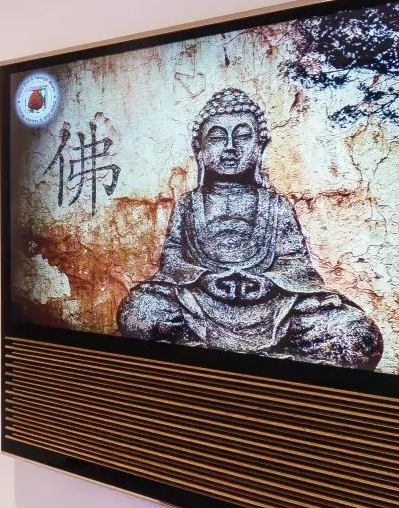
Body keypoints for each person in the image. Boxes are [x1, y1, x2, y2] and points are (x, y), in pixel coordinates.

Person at [117, 88, 381, 369]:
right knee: (139, 311)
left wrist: (268, 284)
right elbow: (172, 260)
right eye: (217, 137)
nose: (230, 147)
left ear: (259, 146)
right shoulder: (188, 204)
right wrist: (204, 280)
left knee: (357, 334)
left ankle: (208, 357)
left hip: (273, 306)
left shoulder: (276, 205)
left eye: (243, 136)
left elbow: (296, 264)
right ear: (200, 149)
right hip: (200, 301)